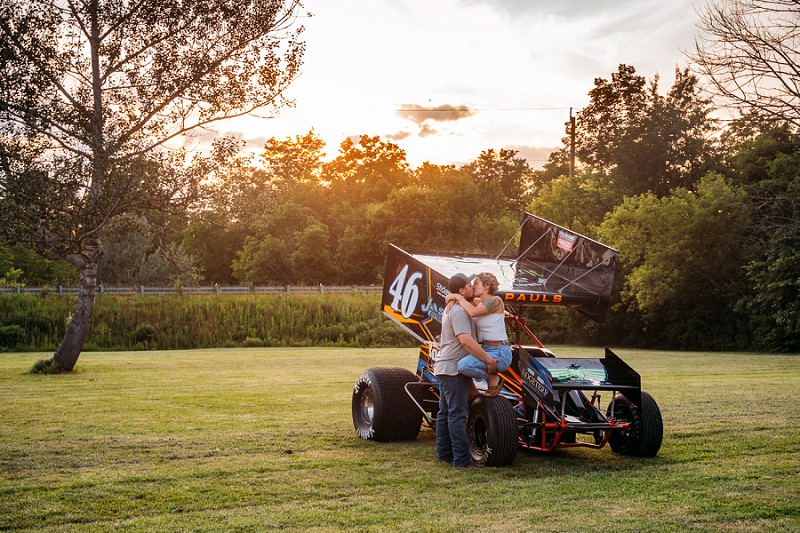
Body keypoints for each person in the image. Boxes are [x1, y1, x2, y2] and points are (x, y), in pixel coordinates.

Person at [435, 272, 498, 467]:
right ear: (462, 290)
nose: (472, 287)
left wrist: (454, 296)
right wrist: (488, 359)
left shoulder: (456, 305)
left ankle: (444, 455)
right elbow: (466, 341)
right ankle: (461, 460)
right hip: (453, 369)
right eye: (470, 285)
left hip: (445, 367)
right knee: (457, 414)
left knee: (445, 413)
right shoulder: (460, 311)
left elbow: (481, 301)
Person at [446, 271, 512, 397]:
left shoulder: (496, 301)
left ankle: (492, 379)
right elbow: (450, 297)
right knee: (460, 365)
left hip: (499, 351)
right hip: (486, 349)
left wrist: (458, 298)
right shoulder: (478, 302)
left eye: (476, 283)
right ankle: (487, 381)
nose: (473, 286)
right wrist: (451, 300)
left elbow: (473, 312)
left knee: (464, 366)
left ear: (486, 286)